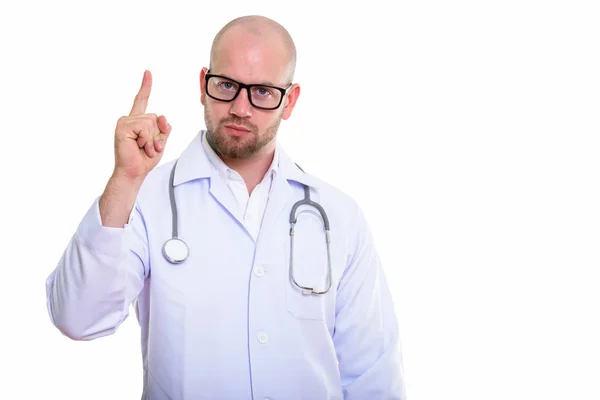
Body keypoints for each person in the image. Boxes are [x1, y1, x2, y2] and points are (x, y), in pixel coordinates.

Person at [45, 14, 407, 400]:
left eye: (263, 92)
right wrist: (124, 181)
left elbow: (373, 375)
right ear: (203, 84)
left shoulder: (339, 215)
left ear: (290, 100)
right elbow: (77, 318)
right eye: (227, 85)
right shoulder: (145, 197)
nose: (240, 107)